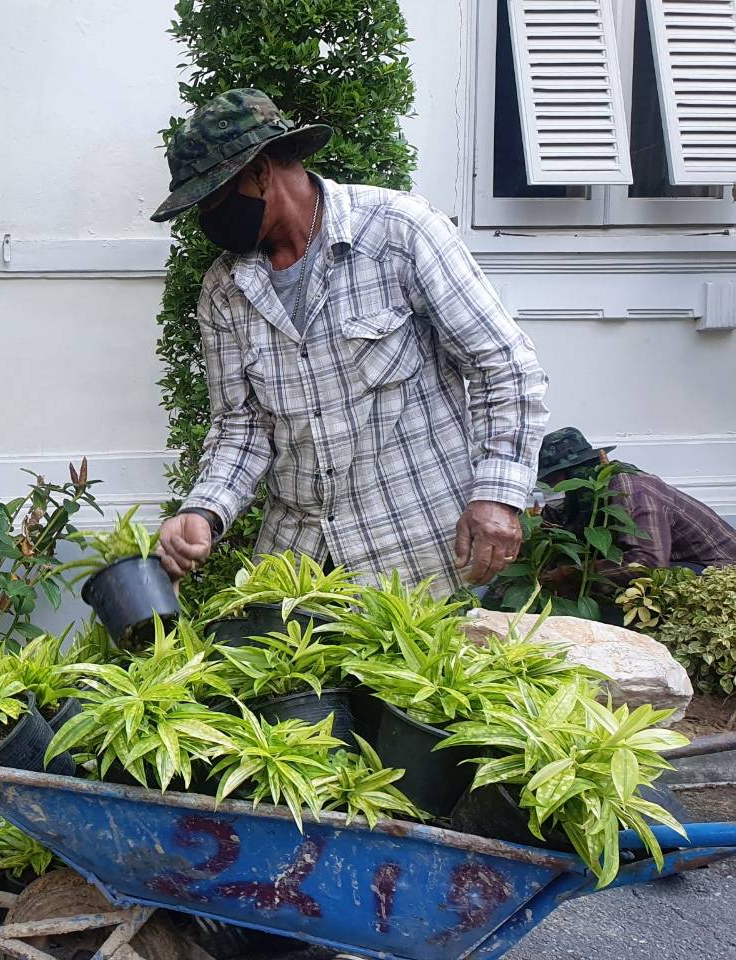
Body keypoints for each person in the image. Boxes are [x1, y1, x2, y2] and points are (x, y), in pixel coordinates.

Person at [149, 89, 549, 593]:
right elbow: (241, 425)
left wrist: (497, 493)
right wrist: (203, 510)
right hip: (299, 569)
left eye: (213, 198)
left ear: (260, 171)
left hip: (421, 556)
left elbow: (503, 365)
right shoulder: (226, 289)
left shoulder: (398, 232)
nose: (208, 217)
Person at [537, 427, 736, 579]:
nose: (548, 490)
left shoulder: (632, 490)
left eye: (552, 481)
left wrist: (572, 575)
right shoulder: (573, 500)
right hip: (670, 563)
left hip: (717, 573)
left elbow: (648, 564)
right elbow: (552, 542)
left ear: (576, 473)